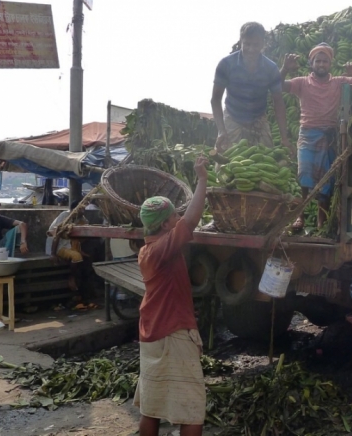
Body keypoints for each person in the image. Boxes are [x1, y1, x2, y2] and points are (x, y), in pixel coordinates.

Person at [134, 157, 209, 436]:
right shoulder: (162, 249)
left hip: (151, 333)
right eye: (173, 217)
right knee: (191, 409)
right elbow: (192, 219)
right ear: (166, 225)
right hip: (172, 334)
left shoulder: (147, 250)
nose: (178, 219)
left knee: (151, 407)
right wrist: (202, 179)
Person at [281, 43, 352, 230]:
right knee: (303, 176)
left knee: (326, 181)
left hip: (329, 135)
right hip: (307, 133)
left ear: (330, 64)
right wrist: (284, 69)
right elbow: (279, 85)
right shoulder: (302, 82)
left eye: (325, 61)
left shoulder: (340, 81)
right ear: (311, 63)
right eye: (318, 61)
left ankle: (321, 221)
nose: (321, 64)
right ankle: (300, 217)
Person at [211, 22, 295, 157]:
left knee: (266, 160)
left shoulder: (270, 68)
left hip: (258, 119)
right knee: (225, 163)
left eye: (256, 45)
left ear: (263, 44)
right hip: (233, 117)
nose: (251, 49)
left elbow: (278, 102)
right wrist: (221, 130)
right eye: (247, 44)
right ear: (241, 42)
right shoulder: (226, 65)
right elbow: (215, 100)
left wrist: (284, 137)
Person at [46, 201, 90, 298]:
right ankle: (71, 278)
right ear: (75, 209)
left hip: (72, 245)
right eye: (81, 209)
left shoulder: (82, 219)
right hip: (60, 246)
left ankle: (84, 291)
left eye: (84, 209)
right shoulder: (65, 216)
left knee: (87, 259)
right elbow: (56, 234)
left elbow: (85, 233)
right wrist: (53, 254)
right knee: (77, 256)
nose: (83, 211)